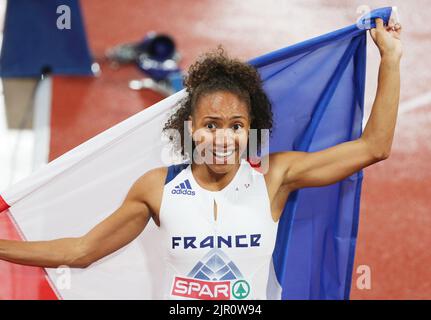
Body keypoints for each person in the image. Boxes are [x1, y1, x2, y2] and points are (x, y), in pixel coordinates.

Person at [0, 18, 402, 300]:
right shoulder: (157, 187)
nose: (223, 138)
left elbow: (373, 147)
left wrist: (391, 60)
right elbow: (80, 252)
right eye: (211, 125)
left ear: (251, 128)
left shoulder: (275, 177)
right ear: (190, 127)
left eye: (235, 125)